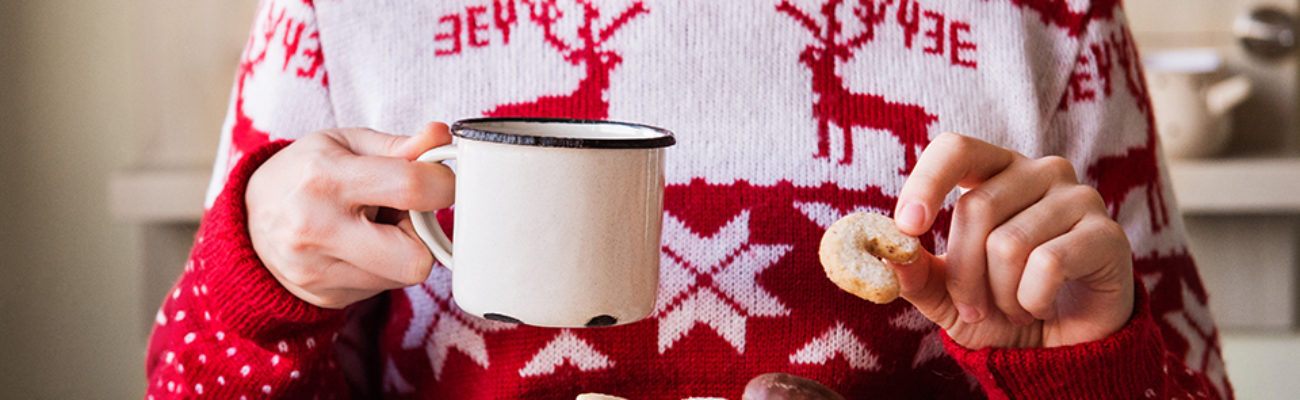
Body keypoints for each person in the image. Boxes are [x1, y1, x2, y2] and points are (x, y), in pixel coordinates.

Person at [146, 0, 1233, 398]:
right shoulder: (337, 13)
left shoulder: (1049, 16)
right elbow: (196, 379)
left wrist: (1082, 367)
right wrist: (255, 287)